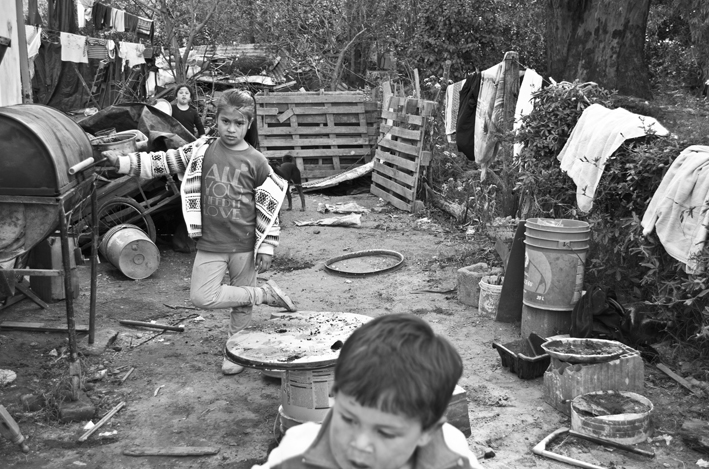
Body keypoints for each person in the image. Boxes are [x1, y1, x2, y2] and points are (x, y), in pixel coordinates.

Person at [103, 88, 296, 376]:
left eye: (239, 123)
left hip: (245, 245)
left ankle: (237, 351)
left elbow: (270, 206)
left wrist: (267, 245)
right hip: (210, 243)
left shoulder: (256, 161)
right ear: (215, 120)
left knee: (240, 306)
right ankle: (262, 294)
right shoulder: (201, 151)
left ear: (249, 124)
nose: (231, 129)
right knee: (202, 297)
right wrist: (122, 163)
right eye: (226, 121)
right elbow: (163, 162)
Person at [253, 313, 484, 469]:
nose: (360, 443)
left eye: (385, 432)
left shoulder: (455, 458)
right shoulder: (296, 453)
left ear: (427, 430)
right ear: (335, 395)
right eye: (348, 418)